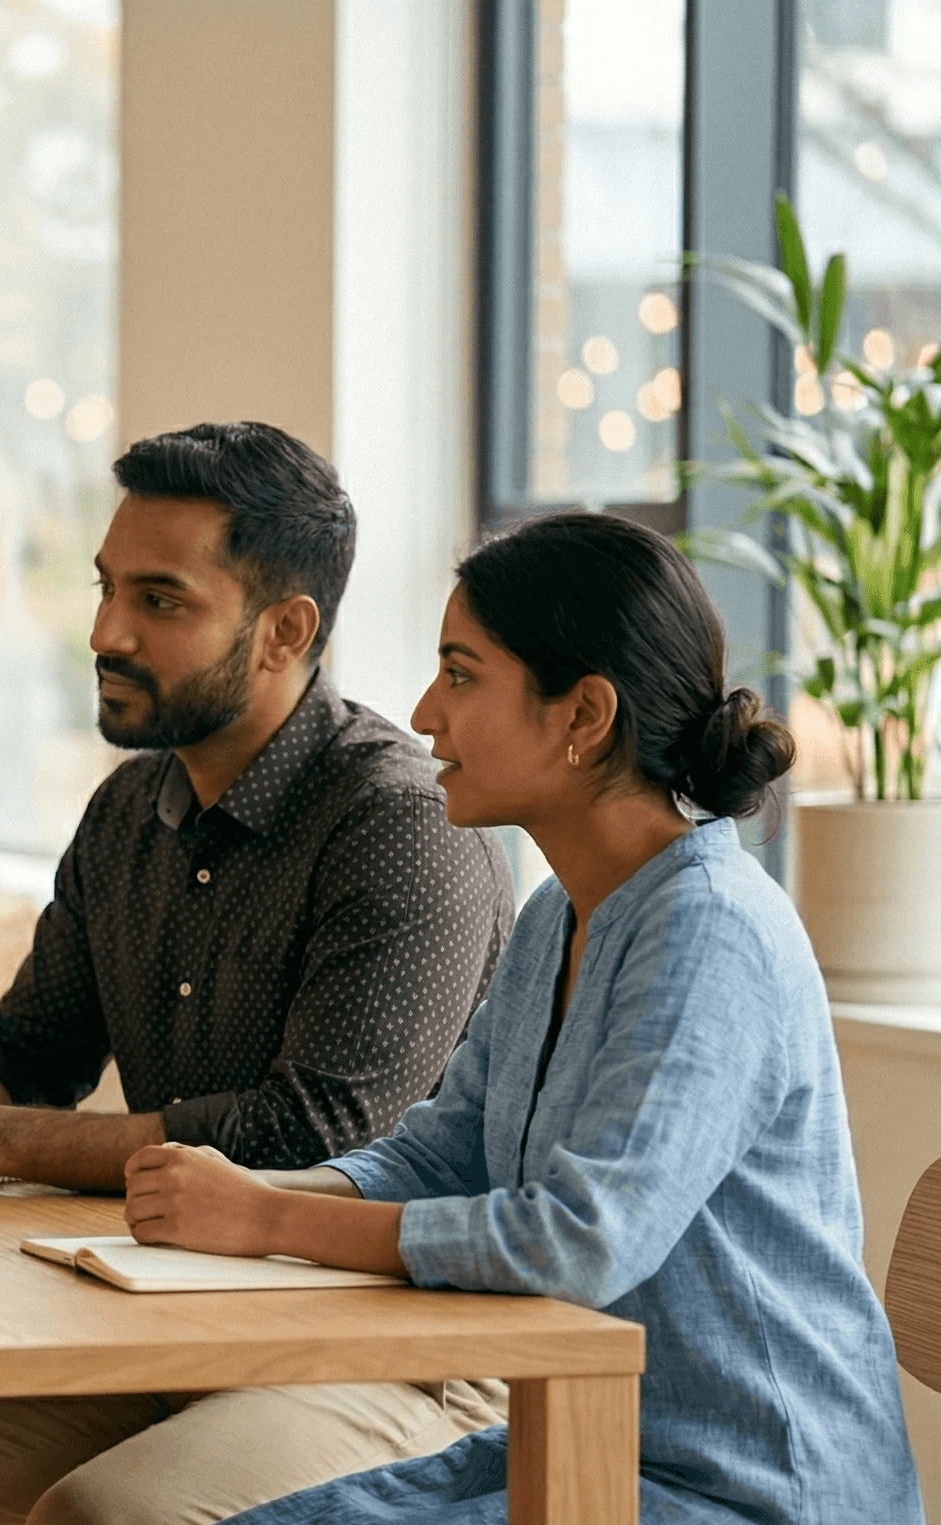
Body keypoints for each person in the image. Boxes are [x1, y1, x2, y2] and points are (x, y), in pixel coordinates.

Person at [0, 422, 515, 1525]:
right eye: (107, 587)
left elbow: (314, 1137)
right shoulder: (127, 808)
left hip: (391, 1348)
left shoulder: (398, 825)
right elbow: (31, 1046)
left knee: (104, 1517)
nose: (105, 632)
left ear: (285, 631)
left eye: (160, 600)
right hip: (170, 1316)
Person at [126, 511, 922, 1524]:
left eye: (460, 674)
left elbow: (580, 1241)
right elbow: (440, 1154)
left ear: (582, 714)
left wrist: (266, 1219)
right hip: (588, 1436)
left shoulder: (712, 930)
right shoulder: (558, 914)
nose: (424, 712)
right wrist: (234, 1197)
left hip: (755, 1489)